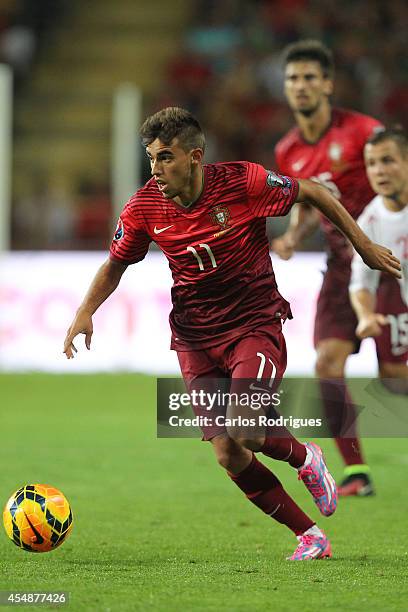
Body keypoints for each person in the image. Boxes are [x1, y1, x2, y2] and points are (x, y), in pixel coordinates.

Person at [63, 107, 400, 560]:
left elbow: (313, 192)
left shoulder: (243, 182)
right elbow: (116, 263)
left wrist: (364, 246)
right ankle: (310, 536)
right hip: (194, 338)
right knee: (228, 452)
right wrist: (85, 312)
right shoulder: (144, 206)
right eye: (151, 159)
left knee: (247, 430)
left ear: (195, 156)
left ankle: (306, 458)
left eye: (166, 158)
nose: (156, 170)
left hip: (252, 324)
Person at [272, 40, 383, 496]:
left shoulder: (362, 132)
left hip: (389, 259)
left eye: (310, 78)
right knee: (326, 363)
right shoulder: (288, 151)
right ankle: (357, 471)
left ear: (328, 84)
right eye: (294, 78)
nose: (301, 86)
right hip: (340, 267)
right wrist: (294, 237)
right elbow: (304, 204)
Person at [350, 127, 408, 400]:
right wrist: (365, 316)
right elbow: (362, 281)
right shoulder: (369, 222)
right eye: (372, 163)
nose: (379, 171)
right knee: (393, 381)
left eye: (388, 160)